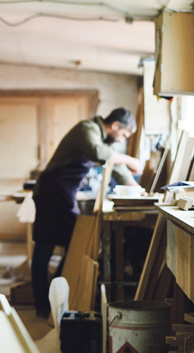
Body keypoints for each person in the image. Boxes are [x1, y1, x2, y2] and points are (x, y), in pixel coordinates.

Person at [31, 108, 143, 317]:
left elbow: (112, 163)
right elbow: (99, 154)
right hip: (50, 194)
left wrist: (134, 188)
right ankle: (42, 304)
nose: (121, 140)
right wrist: (129, 159)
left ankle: (54, 294)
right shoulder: (87, 129)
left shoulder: (103, 140)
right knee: (46, 249)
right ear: (115, 126)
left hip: (63, 195)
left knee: (74, 244)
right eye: (124, 136)